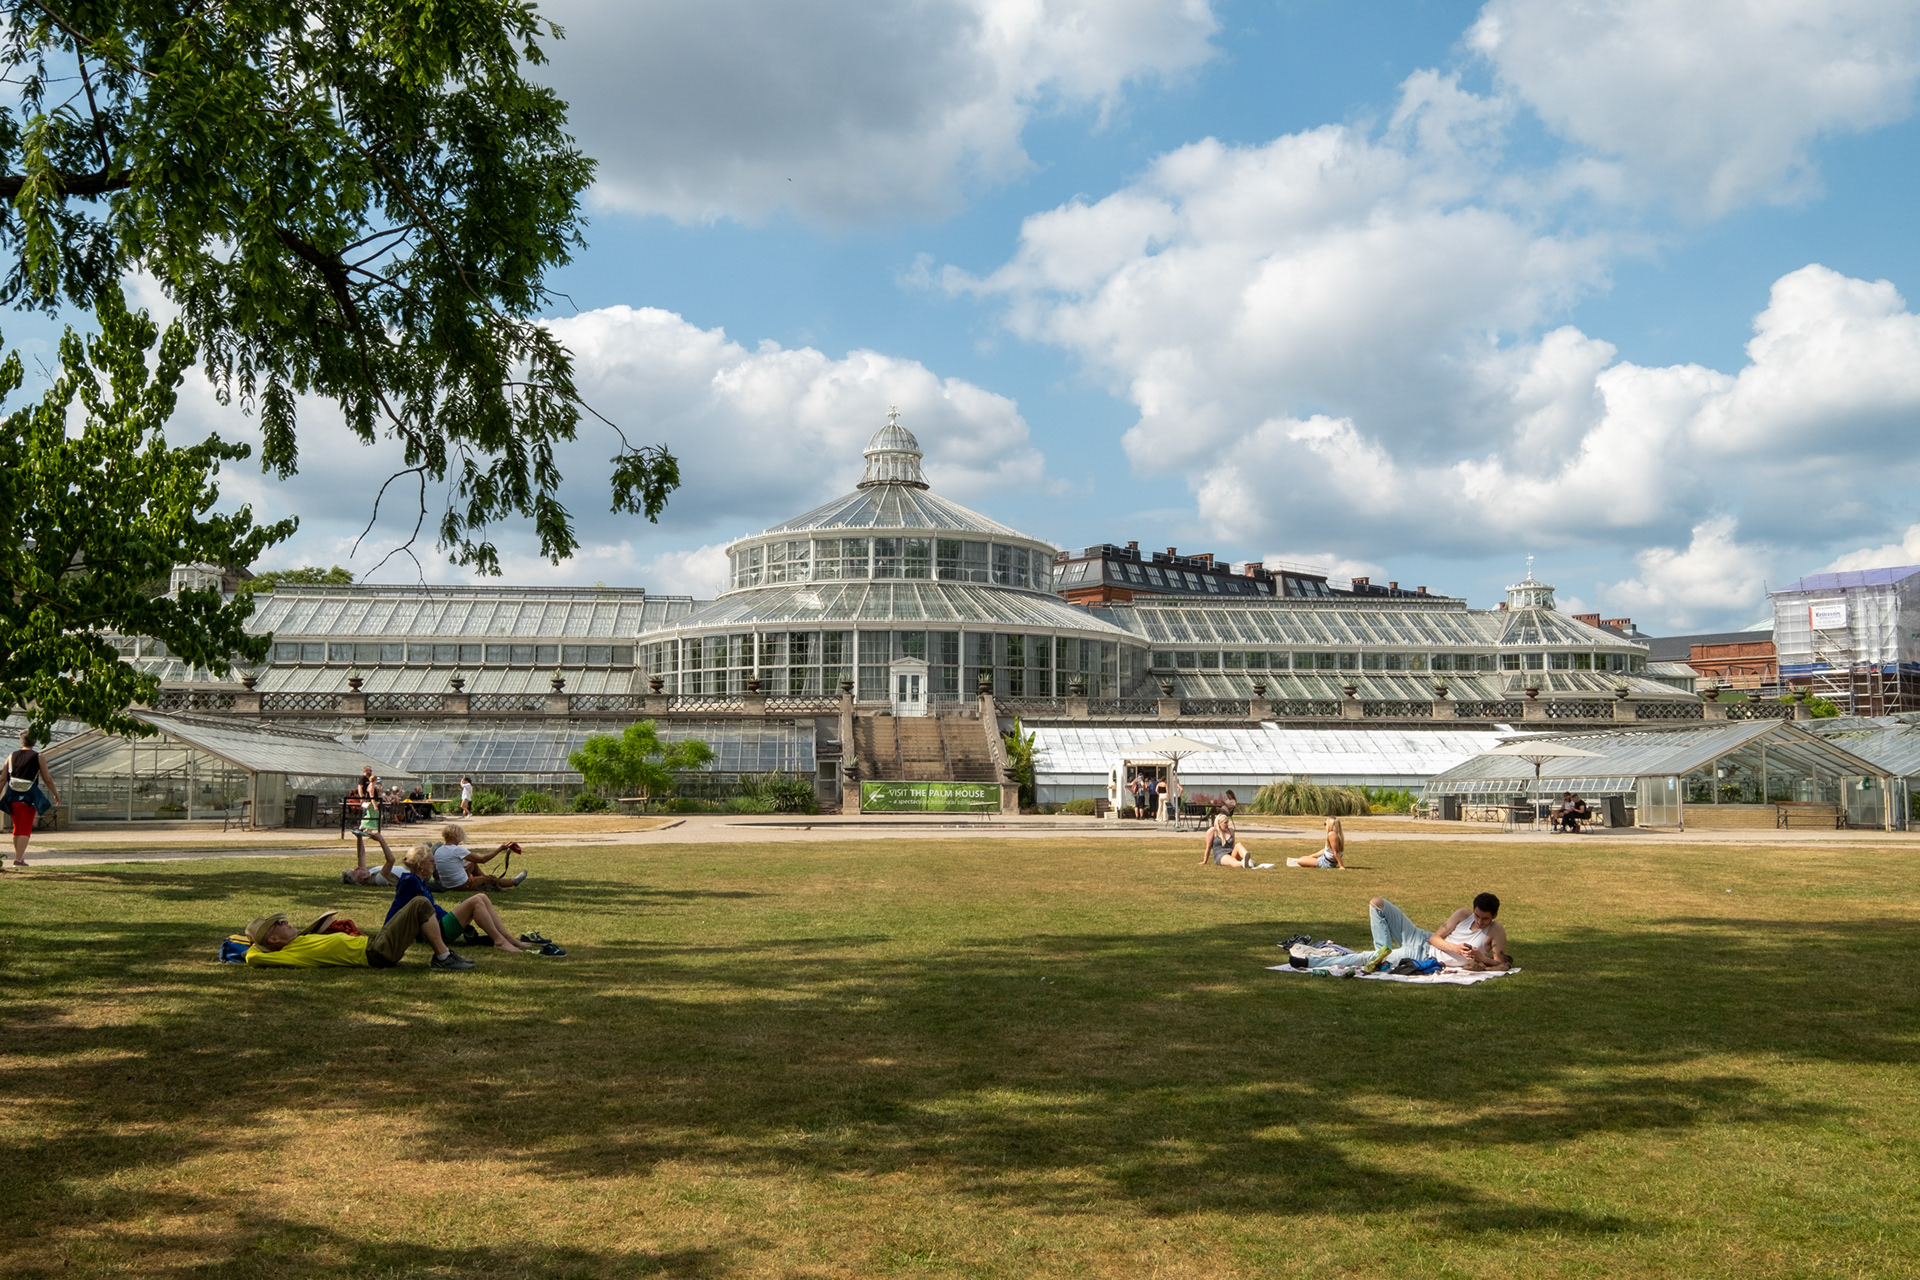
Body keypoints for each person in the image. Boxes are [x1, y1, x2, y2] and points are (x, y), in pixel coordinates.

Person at [393, 844, 556, 955]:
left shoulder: (418, 880)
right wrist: (388, 932)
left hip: (439, 924)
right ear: (421, 864)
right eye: (431, 860)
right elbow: (398, 910)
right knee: (477, 900)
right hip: (436, 932)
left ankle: (510, 939)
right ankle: (500, 941)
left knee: (482, 897)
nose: (434, 863)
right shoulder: (410, 882)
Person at [1290, 893, 1511, 973]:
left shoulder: (1496, 931)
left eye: (1485, 918)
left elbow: (1501, 964)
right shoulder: (1463, 914)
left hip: (1424, 957)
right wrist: (1454, 947)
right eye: (1477, 916)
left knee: (1366, 957)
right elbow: (1435, 937)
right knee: (1378, 903)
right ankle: (1382, 953)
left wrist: (1482, 958)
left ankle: (1310, 963)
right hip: (1421, 938)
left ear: (1495, 915)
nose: (1480, 921)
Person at [243, 902, 474, 971]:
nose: (286, 922)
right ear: (273, 940)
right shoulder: (290, 953)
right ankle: (443, 958)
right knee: (420, 905)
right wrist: (253, 942)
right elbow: (253, 957)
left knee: (416, 905)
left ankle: (443, 956)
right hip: (375, 953)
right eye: (279, 924)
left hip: (374, 942)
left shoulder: (299, 941)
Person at [2, 730, 61, 867]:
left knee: (17, 827)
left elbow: (3, 778)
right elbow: (47, 778)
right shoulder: (38, 756)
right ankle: (18, 859)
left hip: (12, 797)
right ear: (34, 741)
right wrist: (55, 794)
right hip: (29, 797)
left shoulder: (11, 756)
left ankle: (18, 857)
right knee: (25, 828)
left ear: (21, 741)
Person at [432, 823, 527, 892]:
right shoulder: (457, 850)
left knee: (472, 863)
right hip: (461, 885)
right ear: (456, 836)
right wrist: (500, 849)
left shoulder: (439, 850)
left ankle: (482, 880)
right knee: (489, 878)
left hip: (447, 884)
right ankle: (512, 882)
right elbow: (483, 860)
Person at [1197, 813, 1263, 868]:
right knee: (1232, 861)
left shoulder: (1231, 831)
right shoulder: (1213, 831)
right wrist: (1204, 861)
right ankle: (1244, 864)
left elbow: (1233, 846)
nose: (1227, 824)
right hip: (1220, 855)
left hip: (1231, 852)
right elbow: (1208, 847)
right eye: (1225, 823)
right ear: (1219, 823)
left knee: (1238, 845)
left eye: (1228, 822)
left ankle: (1247, 859)